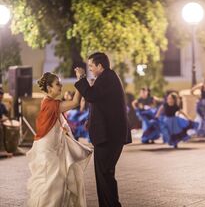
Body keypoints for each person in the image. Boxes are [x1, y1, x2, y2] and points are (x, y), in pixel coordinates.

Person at [74, 52, 132, 207]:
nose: (90, 69)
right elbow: (101, 102)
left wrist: (81, 78)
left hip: (109, 137)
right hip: (108, 135)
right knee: (104, 174)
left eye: (92, 66)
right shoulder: (106, 78)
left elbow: (91, 95)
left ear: (100, 65)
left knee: (104, 173)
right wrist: (90, 119)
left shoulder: (107, 78)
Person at [27, 72, 92, 207]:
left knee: (56, 182)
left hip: (51, 147)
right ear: (49, 88)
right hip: (49, 149)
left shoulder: (49, 102)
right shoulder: (51, 104)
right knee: (53, 183)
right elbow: (75, 102)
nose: (61, 86)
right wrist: (80, 79)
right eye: (57, 84)